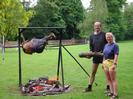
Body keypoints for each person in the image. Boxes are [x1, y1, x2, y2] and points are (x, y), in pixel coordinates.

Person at [85, 21, 109, 92]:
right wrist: (89, 55)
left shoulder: (104, 34)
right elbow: (91, 48)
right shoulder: (91, 36)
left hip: (104, 56)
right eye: (96, 26)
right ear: (94, 27)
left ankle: (108, 87)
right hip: (95, 56)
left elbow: (108, 45)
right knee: (93, 72)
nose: (97, 28)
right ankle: (89, 87)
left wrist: (106, 53)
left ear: (100, 27)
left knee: (106, 72)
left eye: (98, 26)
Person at [102, 32, 119, 99]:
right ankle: (111, 92)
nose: (108, 38)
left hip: (111, 63)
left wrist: (114, 64)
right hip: (105, 63)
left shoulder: (115, 45)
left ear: (112, 37)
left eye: (109, 37)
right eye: (107, 37)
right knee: (108, 79)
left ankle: (115, 94)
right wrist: (103, 63)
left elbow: (116, 55)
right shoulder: (106, 45)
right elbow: (104, 55)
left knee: (113, 79)